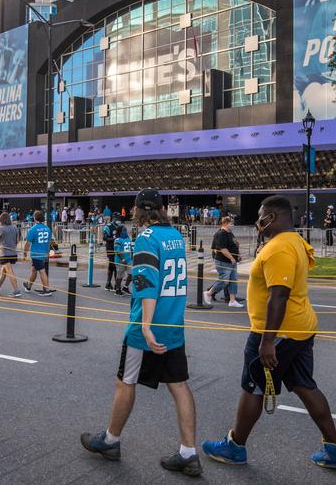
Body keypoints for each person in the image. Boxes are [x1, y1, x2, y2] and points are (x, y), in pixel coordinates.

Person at [201, 195, 336, 470]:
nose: (258, 221)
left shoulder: (280, 248)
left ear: (273, 217)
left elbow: (278, 296)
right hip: (299, 329)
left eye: (261, 215)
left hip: (277, 333)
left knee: (252, 387)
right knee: (305, 385)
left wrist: (267, 341)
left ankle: (235, 446)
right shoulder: (292, 241)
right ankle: (334, 449)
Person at [80, 189, 201, 476]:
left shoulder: (146, 239)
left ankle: (110, 440)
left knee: (126, 381)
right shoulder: (175, 236)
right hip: (174, 324)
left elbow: (147, 283)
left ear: (138, 210)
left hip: (147, 327)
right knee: (179, 384)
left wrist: (145, 326)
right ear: (160, 209)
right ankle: (189, 452)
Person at [205, 215, 244, 308]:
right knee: (224, 281)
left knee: (233, 281)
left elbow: (235, 244)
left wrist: (238, 254)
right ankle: (209, 293)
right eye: (231, 223)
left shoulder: (230, 233)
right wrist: (231, 258)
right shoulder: (221, 234)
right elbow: (222, 248)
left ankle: (232, 300)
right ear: (225, 223)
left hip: (232, 261)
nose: (233, 225)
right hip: (223, 261)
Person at [0, 212, 21, 297]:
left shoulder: (1, 229)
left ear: (1, 220)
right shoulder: (14, 228)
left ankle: (16, 290)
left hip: (5, 253)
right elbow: (17, 240)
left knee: (9, 271)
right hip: (13, 252)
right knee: (3, 271)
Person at [23, 211, 54, 296]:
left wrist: (25, 253)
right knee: (34, 270)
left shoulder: (33, 229)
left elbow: (28, 243)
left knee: (41, 271)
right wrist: (47, 253)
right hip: (44, 253)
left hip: (36, 254)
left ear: (35, 218)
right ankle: (28, 286)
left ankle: (47, 289)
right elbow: (48, 243)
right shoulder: (47, 228)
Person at [112, 226, 132, 296]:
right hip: (120, 261)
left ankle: (125, 287)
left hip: (129, 260)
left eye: (126, 230)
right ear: (120, 232)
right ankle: (117, 289)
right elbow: (117, 251)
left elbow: (131, 249)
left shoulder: (128, 238)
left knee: (131, 274)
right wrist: (122, 259)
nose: (125, 232)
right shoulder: (118, 240)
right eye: (124, 230)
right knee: (120, 276)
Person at [103, 216, 121, 291]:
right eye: (117, 218)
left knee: (115, 266)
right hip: (110, 248)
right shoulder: (108, 227)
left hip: (118, 248)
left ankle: (113, 284)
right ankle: (112, 284)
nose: (118, 220)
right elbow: (104, 238)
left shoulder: (120, 226)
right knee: (113, 266)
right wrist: (114, 239)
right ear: (113, 218)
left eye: (119, 218)